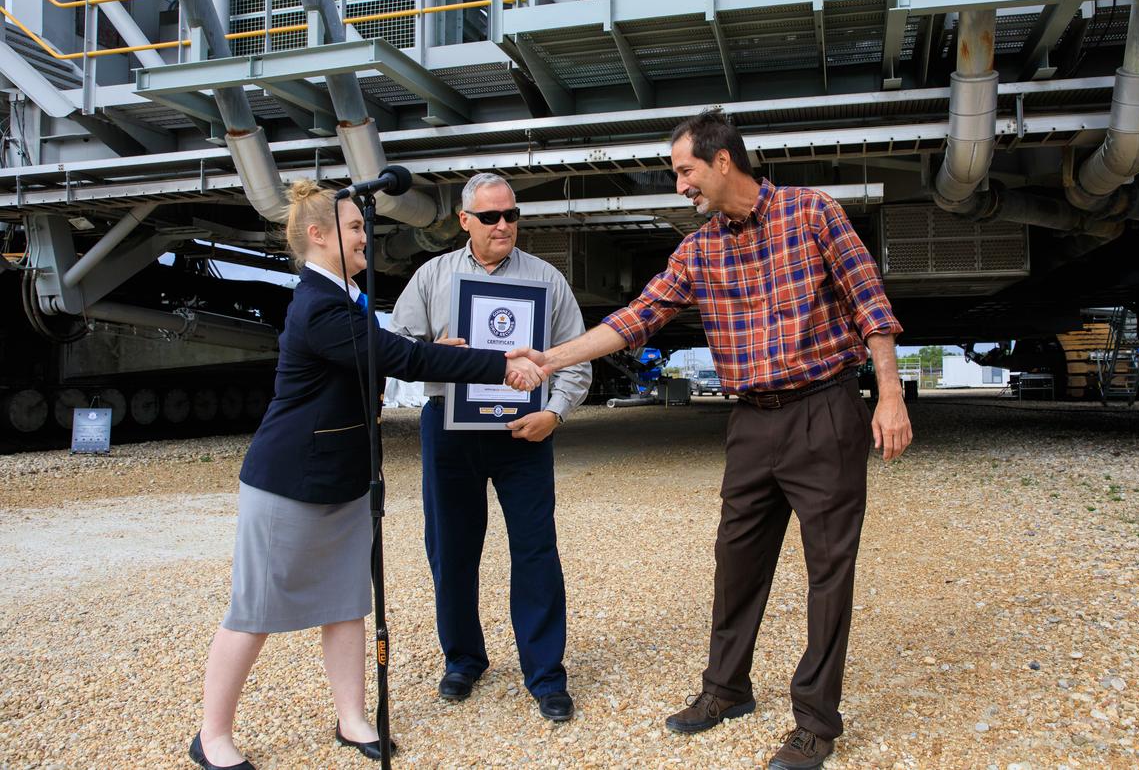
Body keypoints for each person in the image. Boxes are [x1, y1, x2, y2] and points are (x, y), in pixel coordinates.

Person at [510, 110, 913, 769]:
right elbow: (637, 317)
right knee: (736, 561)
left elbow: (871, 304)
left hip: (824, 408)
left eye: (684, 170)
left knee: (828, 571)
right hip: (752, 420)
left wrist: (890, 394)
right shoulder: (698, 249)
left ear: (723, 161)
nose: (680, 185)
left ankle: (815, 721)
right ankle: (726, 688)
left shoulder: (813, 213)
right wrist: (553, 358)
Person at [189, 180, 543, 770]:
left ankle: (352, 719)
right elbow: (396, 355)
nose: (365, 236)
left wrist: (438, 348)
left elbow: (384, 353)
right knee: (254, 610)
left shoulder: (345, 297)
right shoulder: (319, 304)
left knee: (347, 600)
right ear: (318, 235)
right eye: (355, 227)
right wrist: (498, 358)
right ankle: (213, 735)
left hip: (346, 474)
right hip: (290, 481)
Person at [389, 173, 591, 722]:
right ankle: (462, 659)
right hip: (450, 430)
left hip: (523, 433)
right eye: (491, 217)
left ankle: (545, 673)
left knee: (535, 549)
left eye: (511, 215)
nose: (504, 225)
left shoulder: (546, 279)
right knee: (451, 548)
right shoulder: (432, 275)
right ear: (464, 221)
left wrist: (554, 413)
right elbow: (396, 344)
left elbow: (577, 357)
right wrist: (433, 352)